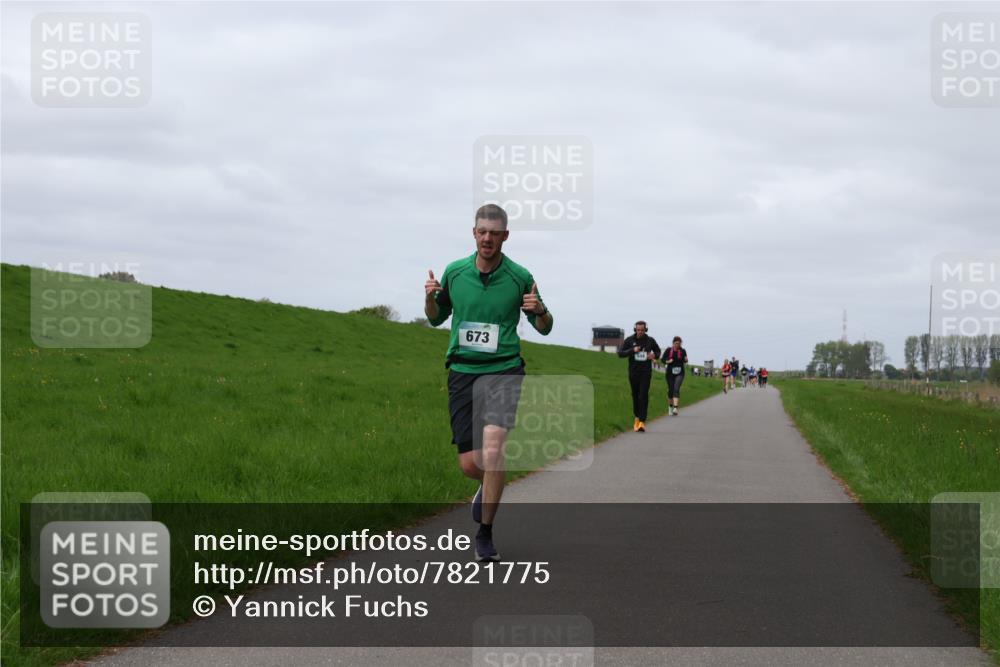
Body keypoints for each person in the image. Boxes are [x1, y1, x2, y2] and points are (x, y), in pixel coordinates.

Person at [425, 204, 553, 562]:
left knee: (493, 450)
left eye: (494, 233)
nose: (487, 238)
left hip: (504, 369)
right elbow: (436, 318)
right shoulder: (455, 272)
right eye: (482, 231)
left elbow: (546, 327)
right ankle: (489, 484)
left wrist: (539, 310)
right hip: (463, 371)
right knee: (470, 464)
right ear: (474, 233)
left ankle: (485, 532)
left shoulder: (520, 277)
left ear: (505, 237)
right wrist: (429, 299)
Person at [617, 321, 661, 432]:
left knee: (643, 395)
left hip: (645, 372)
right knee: (635, 395)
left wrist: (654, 355)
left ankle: (642, 422)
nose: (640, 332)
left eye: (642, 330)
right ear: (635, 329)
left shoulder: (650, 340)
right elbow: (620, 353)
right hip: (633, 372)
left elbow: (658, 351)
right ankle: (636, 417)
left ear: (646, 329)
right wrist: (633, 350)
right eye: (638, 330)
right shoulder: (629, 340)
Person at [660, 336, 688, 415]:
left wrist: (686, 360)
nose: (677, 345)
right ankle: (670, 407)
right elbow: (662, 360)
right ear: (673, 343)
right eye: (676, 343)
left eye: (679, 344)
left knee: (676, 388)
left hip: (680, 373)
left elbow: (685, 360)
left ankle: (675, 408)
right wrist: (668, 361)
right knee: (671, 390)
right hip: (670, 373)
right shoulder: (669, 350)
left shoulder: (682, 351)